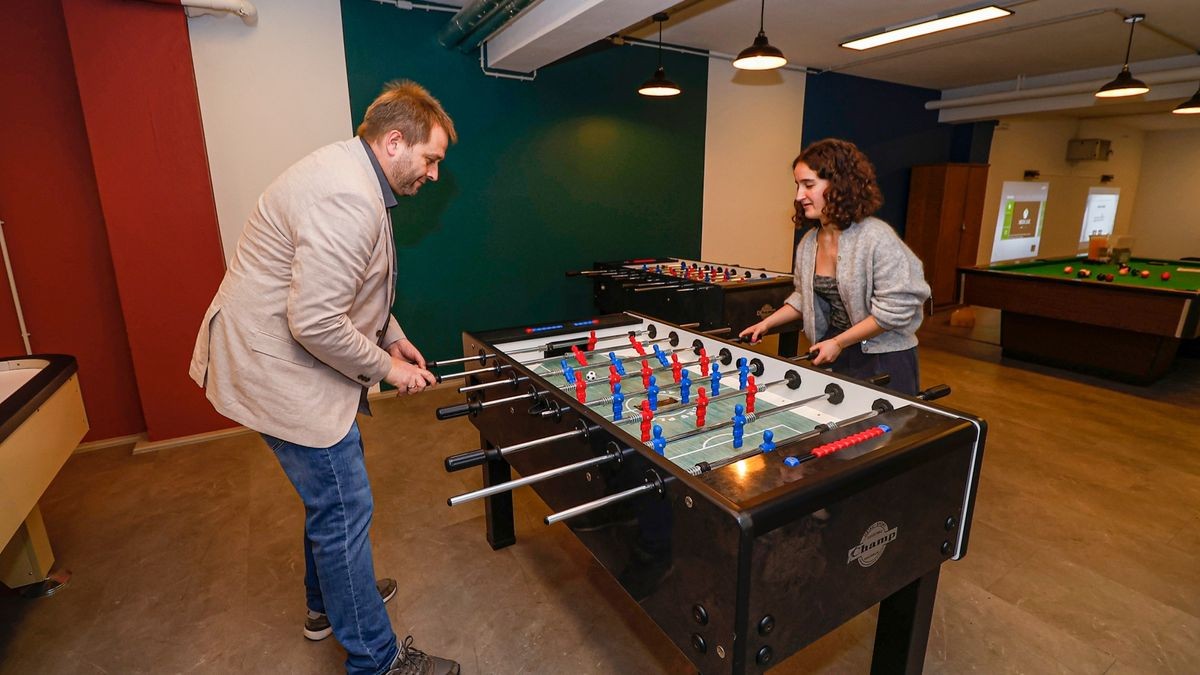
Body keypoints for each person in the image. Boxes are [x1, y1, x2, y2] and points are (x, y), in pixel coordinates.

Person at [188, 81, 459, 675]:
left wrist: (391, 335)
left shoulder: (355, 173)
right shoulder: (350, 197)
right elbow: (313, 319)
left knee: (331, 504)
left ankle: (326, 607)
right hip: (276, 369)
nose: (434, 174)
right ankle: (376, 659)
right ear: (395, 142)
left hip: (279, 357)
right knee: (343, 507)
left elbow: (348, 283)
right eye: (431, 159)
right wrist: (389, 370)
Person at [740, 139, 930, 395]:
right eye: (797, 185)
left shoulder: (876, 237)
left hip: (884, 357)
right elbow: (804, 296)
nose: (799, 196)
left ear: (839, 185)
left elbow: (894, 311)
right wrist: (766, 324)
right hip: (837, 349)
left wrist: (839, 342)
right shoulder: (809, 243)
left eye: (809, 185)